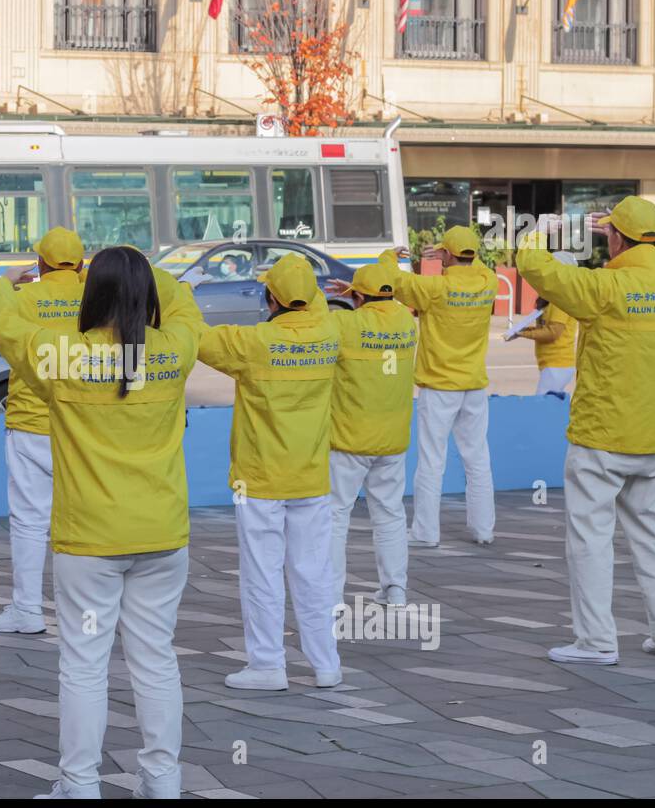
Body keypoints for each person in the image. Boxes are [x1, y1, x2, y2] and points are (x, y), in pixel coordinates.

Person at [0, 245, 203, 800]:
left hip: (90, 542)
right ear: (147, 293)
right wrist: (152, 277)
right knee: (156, 660)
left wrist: (1, 283)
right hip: (162, 535)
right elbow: (185, 303)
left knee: (84, 666)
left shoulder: (62, 356)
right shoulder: (175, 349)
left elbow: (4, 324)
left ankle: (80, 786)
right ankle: (162, 782)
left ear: (90, 293)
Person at [518, 196, 655, 665]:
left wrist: (545, 228)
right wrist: (641, 240)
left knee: (591, 538)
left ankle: (596, 642)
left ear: (615, 238)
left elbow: (536, 267)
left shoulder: (604, 286)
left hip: (601, 437)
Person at [197, 254, 343, 691]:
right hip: (312, 476)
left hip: (258, 478)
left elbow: (195, 337)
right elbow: (311, 308)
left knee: (262, 573)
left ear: (269, 299)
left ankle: (267, 665)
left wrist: (180, 294)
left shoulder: (253, 342)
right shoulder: (330, 334)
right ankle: (326, 664)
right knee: (314, 573)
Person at [0, 227, 86, 634]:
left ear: (40, 264)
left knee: (30, 521)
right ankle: (84, 612)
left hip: (31, 424)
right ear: (81, 265)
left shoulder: (20, 299)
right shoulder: (98, 299)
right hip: (86, 425)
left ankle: (27, 610)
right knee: (82, 521)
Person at [376, 226, 497, 548]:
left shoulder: (433, 288)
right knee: (478, 458)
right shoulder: (489, 282)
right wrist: (455, 252)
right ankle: (484, 530)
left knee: (432, 460)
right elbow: (476, 263)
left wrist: (390, 256)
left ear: (446, 255)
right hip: (474, 385)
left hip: (439, 387)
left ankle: (426, 533)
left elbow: (391, 280)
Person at [323, 264, 417, 608]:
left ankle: (332, 598)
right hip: (392, 439)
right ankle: (395, 590)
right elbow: (380, 298)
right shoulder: (407, 322)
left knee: (335, 516)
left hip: (349, 439)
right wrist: (362, 288)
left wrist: (341, 295)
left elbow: (309, 314)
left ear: (359, 298)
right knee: (390, 514)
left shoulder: (346, 324)